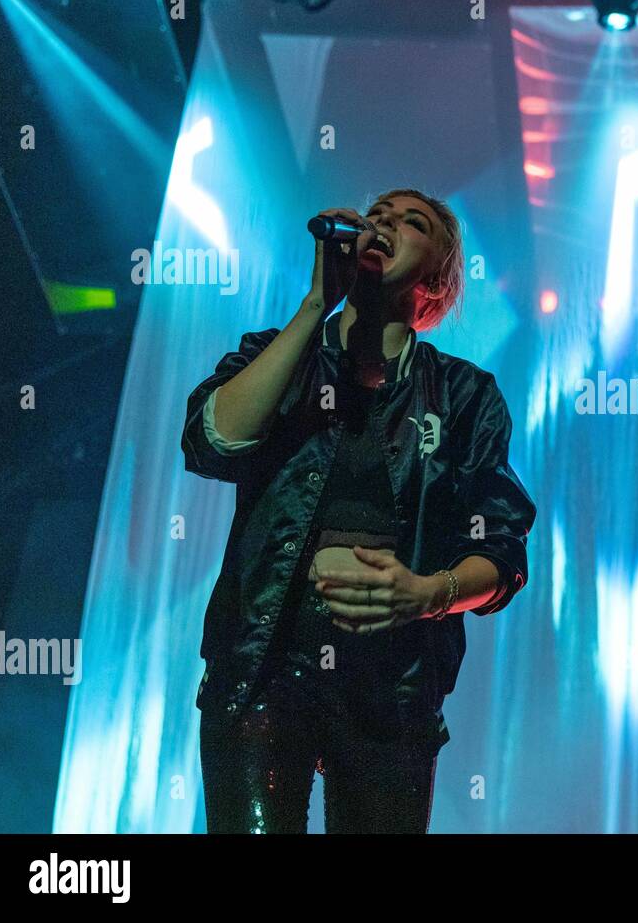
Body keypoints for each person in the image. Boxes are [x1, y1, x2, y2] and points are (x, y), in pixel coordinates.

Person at [181, 188, 536, 833]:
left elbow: (504, 550)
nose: (383, 224)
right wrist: (318, 304)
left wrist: (429, 594)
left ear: (434, 280)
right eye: (377, 214)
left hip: (393, 683)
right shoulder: (281, 351)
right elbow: (212, 441)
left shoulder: (464, 396)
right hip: (264, 660)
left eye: (412, 222)